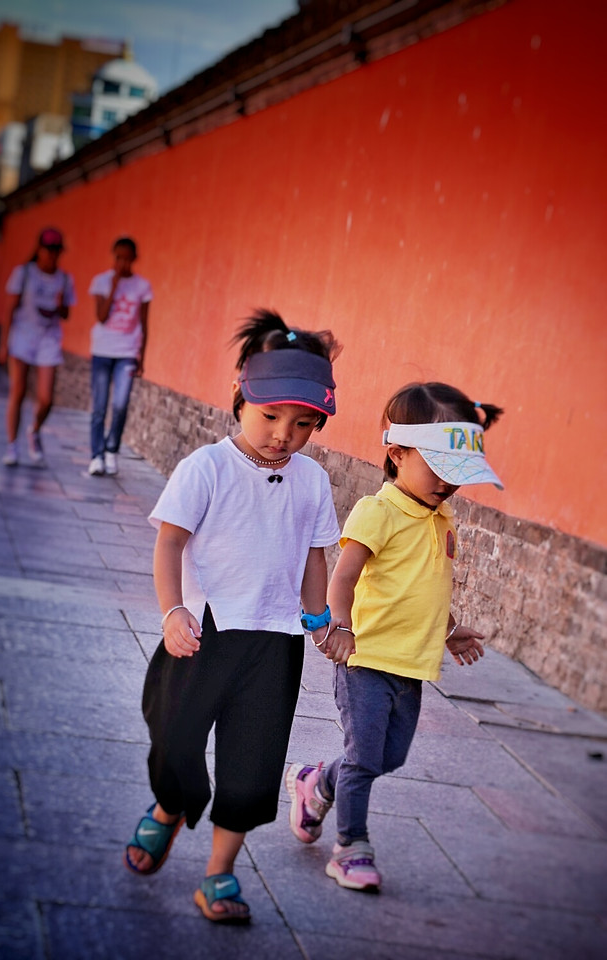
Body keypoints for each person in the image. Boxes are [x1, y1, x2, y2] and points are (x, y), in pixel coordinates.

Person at [124, 309, 343, 924]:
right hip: (202, 634)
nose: (283, 434)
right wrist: (172, 611)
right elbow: (169, 544)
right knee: (175, 744)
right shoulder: (207, 468)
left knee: (251, 770)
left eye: (303, 424)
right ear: (241, 399)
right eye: (271, 416)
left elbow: (312, 554)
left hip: (273, 644)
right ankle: (169, 809)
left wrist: (320, 618)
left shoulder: (313, 481)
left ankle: (217, 875)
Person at [286, 381, 504, 892]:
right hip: (365, 657)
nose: (448, 485)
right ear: (398, 452)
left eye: (457, 475)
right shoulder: (376, 511)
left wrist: (449, 630)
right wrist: (336, 626)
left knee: (388, 757)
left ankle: (316, 783)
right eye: (438, 468)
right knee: (364, 757)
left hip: (413, 664)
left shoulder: (442, 516)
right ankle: (351, 848)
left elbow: (426, 587)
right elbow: (343, 576)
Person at [0, 227, 76, 467]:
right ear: (39, 249)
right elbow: (10, 309)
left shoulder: (64, 279)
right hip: (22, 337)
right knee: (18, 393)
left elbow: (66, 314)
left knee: (46, 398)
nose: (51, 255)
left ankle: (34, 430)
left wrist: (62, 304)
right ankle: (12, 446)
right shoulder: (24, 273)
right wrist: (3, 343)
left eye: (56, 250)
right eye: (48, 249)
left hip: (48, 340)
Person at [87, 236, 152, 476]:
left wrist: (141, 358)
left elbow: (145, 324)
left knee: (121, 404)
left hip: (127, 353)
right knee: (100, 407)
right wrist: (114, 286)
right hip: (102, 352)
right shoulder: (101, 282)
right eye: (118, 258)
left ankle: (112, 449)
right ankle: (96, 456)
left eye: (127, 258)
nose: (122, 263)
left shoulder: (142, 286)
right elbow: (101, 317)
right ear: (113, 256)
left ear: (134, 259)